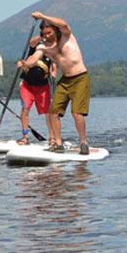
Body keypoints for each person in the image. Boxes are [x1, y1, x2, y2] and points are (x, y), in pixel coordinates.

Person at [20, 12, 91, 154]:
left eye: (49, 32)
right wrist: (26, 63)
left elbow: (63, 23)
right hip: (64, 80)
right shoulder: (44, 47)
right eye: (44, 33)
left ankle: (83, 143)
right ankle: (58, 144)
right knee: (53, 113)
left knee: (77, 113)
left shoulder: (66, 36)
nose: (46, 36)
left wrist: (42, 16)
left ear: (55, 30)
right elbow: (35, 57)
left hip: (80, 78)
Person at [16, 34, 56, 145]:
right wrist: (43, 36)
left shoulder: (51, 51)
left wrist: (53, 73)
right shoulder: (35, 48)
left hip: (43, 87)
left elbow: (54, 66)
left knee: (48, 112)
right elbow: (32, 42)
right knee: (25, 109)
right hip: (27, 85)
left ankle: (52, 137)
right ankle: (25, 137)